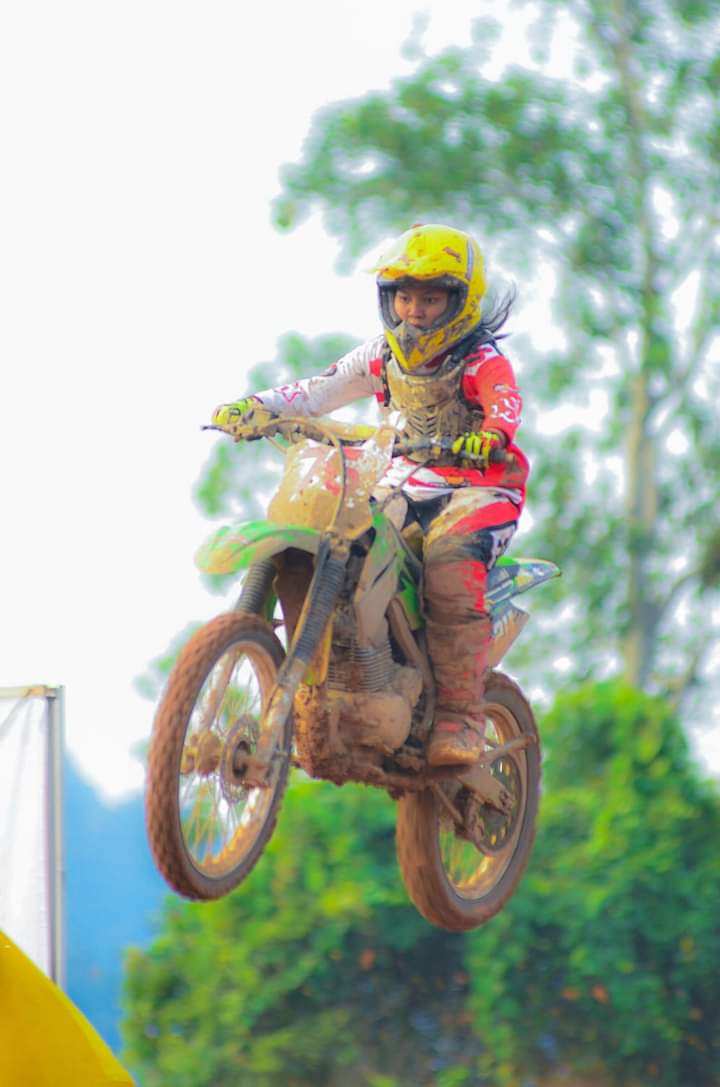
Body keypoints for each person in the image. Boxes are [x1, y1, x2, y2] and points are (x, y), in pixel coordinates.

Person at [212, 223, 529, 766]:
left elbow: (504, 402)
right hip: (402, 478)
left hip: (479, 489)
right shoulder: (381, 357)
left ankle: (460, 717)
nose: (414, 311)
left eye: (430, 299)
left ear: (460, 301)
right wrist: (256, 407)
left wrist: (492, 435)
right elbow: (316, 392)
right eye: (404, 297)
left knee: (449, 566)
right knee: (337, 528)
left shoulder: (481, 361)